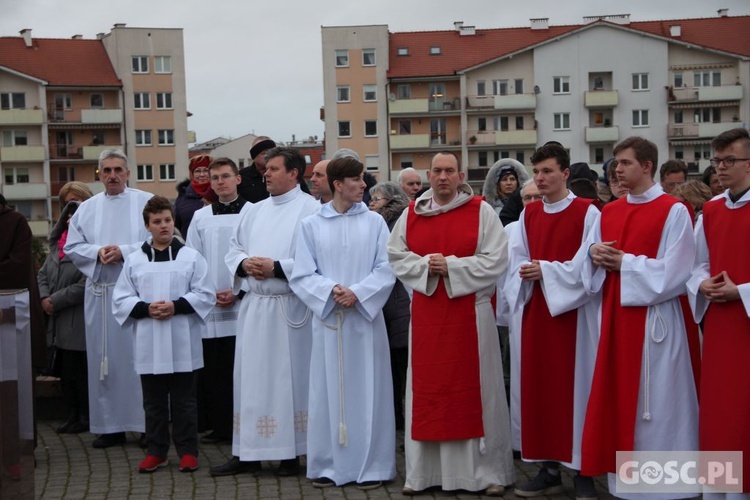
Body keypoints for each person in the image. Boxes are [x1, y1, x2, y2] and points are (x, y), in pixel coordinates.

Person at [388, 151, 515, 496]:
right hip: (428, 312)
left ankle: (485, 473)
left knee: (480, 392)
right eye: (438, 171)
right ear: (429, 176)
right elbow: (396, 256)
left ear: (461, 177)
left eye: (450, 171)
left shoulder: (482, 212)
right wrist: (428, 266)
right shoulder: (411, 214)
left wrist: (453, 268)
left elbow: (497, 258)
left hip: (471, 314)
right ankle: (423, 474)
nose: (443, 177)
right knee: (428, 394)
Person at [580, 137, 698, 499]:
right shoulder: (609, 212)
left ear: (647, 166)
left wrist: (625, 263)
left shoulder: (674, 210)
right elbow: (591, 269)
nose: (617, 169)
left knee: (663, 403)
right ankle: (628, 485)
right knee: (622, 401)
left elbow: (678, 272)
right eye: (616, 162)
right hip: (617, 320)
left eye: (625, 162)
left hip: (658, 323)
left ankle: (675, 486)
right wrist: (593, 253)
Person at [290, 157, 396, 490]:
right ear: (338, 184)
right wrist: (331, 291)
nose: (364, 185)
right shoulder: (311, 225)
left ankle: (373, 467)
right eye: (357, 180)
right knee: (325, 391)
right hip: (330, 322)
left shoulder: (376, 223)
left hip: (365, 322)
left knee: (371, 392)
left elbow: (386, 268)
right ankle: (327, 465)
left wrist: (359, 294)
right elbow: (302, 273)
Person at [213, 147, 319, 477]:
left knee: (286, 380)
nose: (266, 174)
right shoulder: (254, 210)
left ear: (294, 173)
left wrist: (278, 267)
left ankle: (290, 453)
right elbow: (234, 248)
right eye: (266, 169)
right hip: (255, 306)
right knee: (250, 379)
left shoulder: (311, 210)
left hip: (289, 307)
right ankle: (247, 452)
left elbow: (316, 258)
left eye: (273, 169)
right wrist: (244, 264)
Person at [505, 144, 600, 499]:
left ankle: (582, 471)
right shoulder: (528, 216)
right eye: (537, 172)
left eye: (547, 171)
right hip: (537, 313)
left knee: (576, 391)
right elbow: (515, 262)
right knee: (539, 390)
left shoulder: (589, 212)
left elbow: (589, 266)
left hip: (574, 316)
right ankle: (548, 468)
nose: (540, 179)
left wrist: (544, 270)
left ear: (565, 174)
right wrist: (526, 273)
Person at [112, 196, 214, 474]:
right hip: (149, 342)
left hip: (182, 339)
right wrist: (145, 309)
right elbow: (120, 299)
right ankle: (156, 451)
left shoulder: (191, 257)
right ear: (148, 226)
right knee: (154, 404)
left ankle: (188, 452)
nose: (164, 226)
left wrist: (176, 306)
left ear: (173, 221)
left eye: (167, 220)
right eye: (157, 222)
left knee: (184, 402)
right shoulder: (134, 261)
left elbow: (206, 294)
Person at [64, 149, 152, 449]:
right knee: (105, 362)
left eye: (118, 169)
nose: (112, 175)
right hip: (101, 294)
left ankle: (145, 425)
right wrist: (97, 253)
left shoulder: (146, 202)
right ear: (99, 174)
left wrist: (125, 251)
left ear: (128, 172)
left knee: (138, 358)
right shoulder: (86, 208)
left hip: (137, 294)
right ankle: (109, 426)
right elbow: (72, 247)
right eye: (107, 170)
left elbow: (160, 238)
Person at [687, 127, 750, 500]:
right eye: (717, 161)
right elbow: (698, 264)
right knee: (720, 414)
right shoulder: (710, 210)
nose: (721, 168)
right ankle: (718, 490)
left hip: (743, 317)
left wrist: (739, 291)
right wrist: (702, 285)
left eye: (730, 160)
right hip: (722, 327)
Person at [185, 158, 251, 444]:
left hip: (244, 300)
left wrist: (238, 290)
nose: (220, 182)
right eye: (215, 178)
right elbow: (192, 258)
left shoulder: (253, 212)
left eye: (225, 176)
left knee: (242, 366)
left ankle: (243, 424)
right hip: (210, 303)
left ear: (238, 179)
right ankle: (219, 425)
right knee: (214, 369)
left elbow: (257, 253)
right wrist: (207, 292)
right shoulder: (200, 217)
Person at [38, 181, 93, 434]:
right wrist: (43, 297)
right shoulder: (57, 243)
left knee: (80, 373)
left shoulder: (90, 244)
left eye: (79, 204)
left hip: (80, 320)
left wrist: (54, 300)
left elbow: (87, 283)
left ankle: (85, 416)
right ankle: (73, 414)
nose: (72, 214)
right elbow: (43, 275)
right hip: (58, 322)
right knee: (66, 373)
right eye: (69, 208)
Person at [369, 181, 412, 431]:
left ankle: (403, 419)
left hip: (398, 301)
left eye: (377, 199)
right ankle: (394, 416)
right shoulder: (374, 223)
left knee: (402, 366)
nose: (371, 203)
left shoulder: (397, 223)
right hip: (384, 304)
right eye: (371, 198)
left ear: (392, 200)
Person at [175, 155, 216, 237]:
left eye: (206, 170)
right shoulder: (183, 197)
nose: (202, 174)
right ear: (192, 174)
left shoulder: (219, 194)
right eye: (197, 171)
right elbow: (177, 226)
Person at [237, 136, 275, 203]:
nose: (269, 156)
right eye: (264, 153)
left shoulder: (282, 174)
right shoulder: (241, 177)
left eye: (272, 153)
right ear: (254, 156)